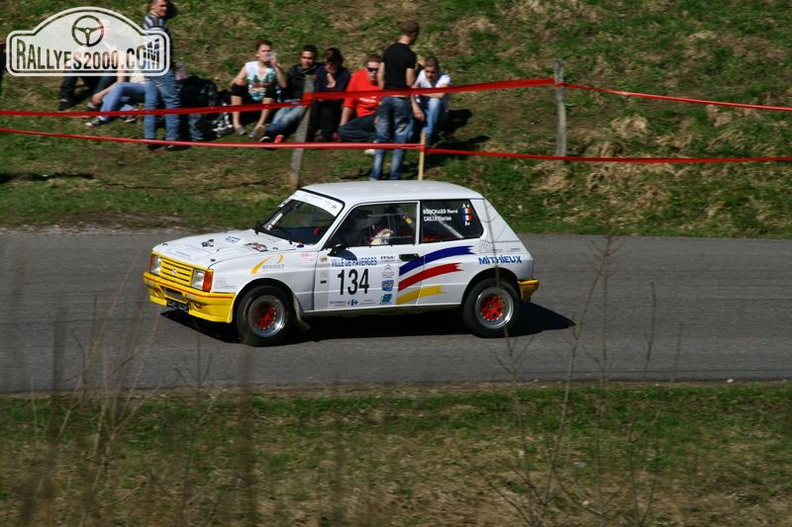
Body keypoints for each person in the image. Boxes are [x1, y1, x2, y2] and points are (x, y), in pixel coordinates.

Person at [369, 20, 421, 181]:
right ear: (413, 35)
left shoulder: (388, 50)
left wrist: (383, 93)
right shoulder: (410, 55)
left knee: (382, 136)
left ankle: (375, 175)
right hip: (401, 98)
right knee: (400, 138)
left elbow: (380, 75)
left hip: (386, 97)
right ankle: (394, 176)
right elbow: (409, 81)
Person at [142, 0, 184, 151]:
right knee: (172, 100)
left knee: (151, 102)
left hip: (147, 66)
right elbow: (159, 48)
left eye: (166, 6)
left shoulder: (148, 20)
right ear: (152, 6)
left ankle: (149, 138)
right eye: (161, 6)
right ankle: (173, 139)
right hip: (159, 67)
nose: (164, 9)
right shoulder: (156, 24)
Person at [259, 44, 319, 143]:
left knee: (288, 118)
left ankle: (267, 131)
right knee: (278, 117)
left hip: (304, 102)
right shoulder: (294, 70)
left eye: (310, 58)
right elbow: (284, 85)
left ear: (314, 59)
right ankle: (270, 138)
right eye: (304, 57)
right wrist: (275, 66)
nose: (306, 61)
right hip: (290, 100)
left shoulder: (318, 70)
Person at [229, 39, 286, 141]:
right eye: (263, 51)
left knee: (271, 88)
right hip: (252, 100)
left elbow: (283, 85)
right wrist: (239, 81)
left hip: (267, 103)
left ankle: (259, 125)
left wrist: (276, 66)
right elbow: (232, 84)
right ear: (257, 54)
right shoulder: (249, 66)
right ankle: (236, 123)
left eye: (269, 51)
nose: (266, 54)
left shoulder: (275, 67)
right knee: (237, 87)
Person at [338, 54, 382, 149]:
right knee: (343, 131)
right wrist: (342, 125)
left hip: (376, 117)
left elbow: (385, 104)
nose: (373, 73)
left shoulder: (384, 81)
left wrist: (380, 116)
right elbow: (348, 103)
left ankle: (376, 139)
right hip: (361, 119)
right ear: (366, 69)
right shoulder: (358, 76)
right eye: (370, 70)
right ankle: (374, 139)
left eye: (376, 70)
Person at [307, 47, 350, 142]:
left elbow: (339, 97)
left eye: (331, 64)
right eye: (326, 64)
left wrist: (332, 87)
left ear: (338, 62)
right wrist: (328, 93)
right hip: (320, 101)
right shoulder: (320, 71)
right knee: (314, 106)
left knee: (328, 108)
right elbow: (317, 92)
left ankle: (326, 136)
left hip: (336, 105)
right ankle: (309, 134)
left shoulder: (344, 74)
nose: (328, 67)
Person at [412, 56, 451, 144]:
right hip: (424, 110)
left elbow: (441, 94)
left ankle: (428, 135)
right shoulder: (421, 74)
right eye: (427, 71)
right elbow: (413, 88)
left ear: (438, 70)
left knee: (435, 101)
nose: (429, 75)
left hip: (439, 114)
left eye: (433, 72)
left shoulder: (444, 78)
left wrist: (420, 92)